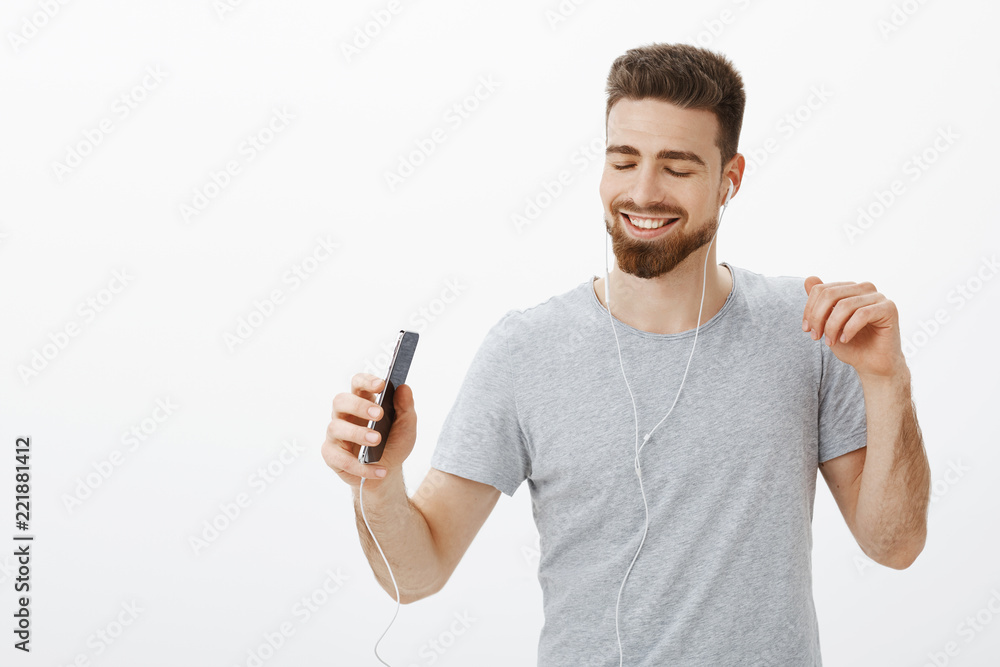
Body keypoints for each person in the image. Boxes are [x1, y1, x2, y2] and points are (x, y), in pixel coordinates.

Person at [322, 42, 931, 666]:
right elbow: (416, 575)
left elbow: (896, 546)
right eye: (624, 161)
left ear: (730, 180)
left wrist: (889, 380)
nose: (643, 192)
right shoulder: (526, 351)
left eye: (677, 168)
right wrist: (377, 482)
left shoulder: (810, 331)